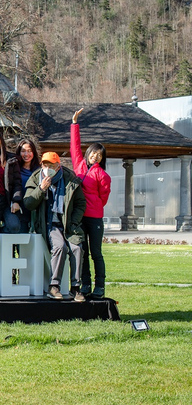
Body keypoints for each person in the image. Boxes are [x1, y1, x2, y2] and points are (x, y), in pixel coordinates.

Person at [23, 151, 87, 302]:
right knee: (60, 247)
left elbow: (80, 203)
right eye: (45, 164)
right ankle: (54, 286)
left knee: (77, 248)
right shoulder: (36, 178)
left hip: (68, 224)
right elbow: (28, 203)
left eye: (51, 165)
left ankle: (76, 287)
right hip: (49, 225)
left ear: (58, 166)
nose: (48, 167)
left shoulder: (70, 179)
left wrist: (73, 221)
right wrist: (41, 189)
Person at [71, 108, 112, 299]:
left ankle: (100, 285)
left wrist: (94, 205)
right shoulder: (78, 164)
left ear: (102, 159)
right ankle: (85, 284)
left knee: (96, 252)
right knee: (83, 252)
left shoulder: (103, 175)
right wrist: (74, 124)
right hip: (80, 216)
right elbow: (74, 146)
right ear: (88, 153)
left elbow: (104, 197)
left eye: (99, 156)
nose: (95, 157)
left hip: (94, 218)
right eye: (93, 153)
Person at [14, 138, 42, 234]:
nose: (26, 154)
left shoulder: (39, 171)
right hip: (18, 209)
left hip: (34, 211)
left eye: (29, 151)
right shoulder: (14, 168)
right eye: (23, 151)